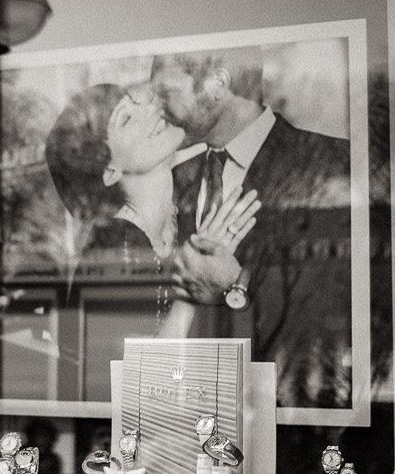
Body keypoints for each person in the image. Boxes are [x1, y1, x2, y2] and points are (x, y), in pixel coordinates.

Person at [151, 47, 353, 408]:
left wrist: (237, 284)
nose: (158, 109)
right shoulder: (170, 182)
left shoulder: (334, 167)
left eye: (166, 94)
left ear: (216, 84)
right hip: (192, 412)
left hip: (298, 415)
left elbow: (344, 304)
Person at [45, 83, 258, 335]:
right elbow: (137, 372)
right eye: (125, 119)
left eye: (140, 102)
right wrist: (190, 296)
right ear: (110, 171)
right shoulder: (112, 252)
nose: (152, 108)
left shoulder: (201, 194)